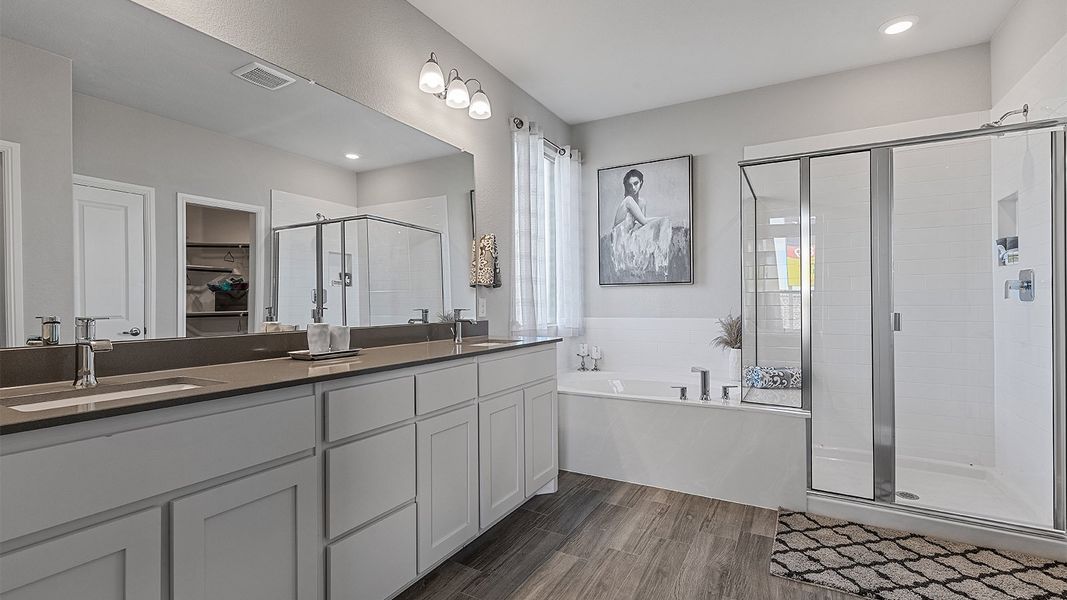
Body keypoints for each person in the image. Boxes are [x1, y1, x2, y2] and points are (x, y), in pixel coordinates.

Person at [610, 169, 671, 275]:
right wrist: (663, 220)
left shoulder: (642, 202)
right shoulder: (628, 201)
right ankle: (660, 264)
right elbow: (643, 221)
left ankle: (660, 263)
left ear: (641, 183)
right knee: (664, 221)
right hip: (620, 240)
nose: (633, 188)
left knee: (658, 227)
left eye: (636, 183)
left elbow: (643, 227)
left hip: (632, 236)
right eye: (630, 185)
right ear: (626, 186)